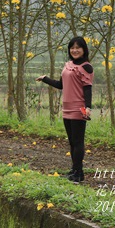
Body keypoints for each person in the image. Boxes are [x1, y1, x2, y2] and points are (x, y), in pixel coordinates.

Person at [36, 36, 93, 183]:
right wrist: (45, 79)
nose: (74, 50)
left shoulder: (86, 67)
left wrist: (88, 107)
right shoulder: (68, 65)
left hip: (78, 108)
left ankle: (79, 174)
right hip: (67, 108)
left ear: (83, 49)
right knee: (72, 142)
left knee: (78, 142)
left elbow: (88, 89)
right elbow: (61, 85)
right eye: (72, 48)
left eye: (78, 48)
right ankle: (74, 170)